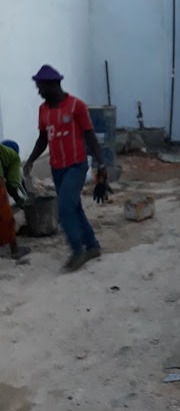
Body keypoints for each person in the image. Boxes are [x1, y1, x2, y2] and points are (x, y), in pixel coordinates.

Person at [24, 65, 108, 272]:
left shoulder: (77, 106)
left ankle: (78, 250)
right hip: (57, 167)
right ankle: (92, 246)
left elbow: (90, 136)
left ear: (53, 85)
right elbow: (43, 138)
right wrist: (31, 160)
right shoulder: (43, 110)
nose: (39, 91)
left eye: (41, 86)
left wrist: (101, 164)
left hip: (76, 166)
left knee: (63, 209)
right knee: (75, 207)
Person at [0, 140, 30, 261]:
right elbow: (12, 186)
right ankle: (15, 250)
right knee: (6, 216)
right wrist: (18, 199)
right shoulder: (14, 158)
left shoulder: (4, 154)